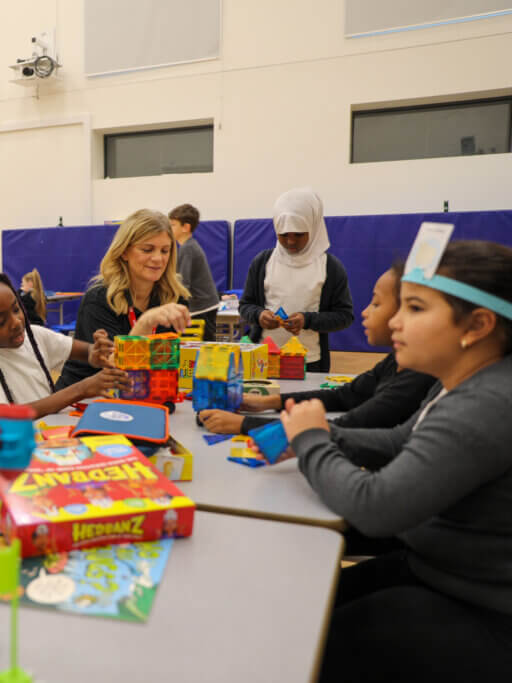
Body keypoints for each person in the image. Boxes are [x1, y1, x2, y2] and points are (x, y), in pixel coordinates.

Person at [276, 240, 512, 682]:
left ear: (478, 324)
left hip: (481, 609)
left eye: (416, 309)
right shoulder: (463, 380)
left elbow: (376, 506)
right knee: (304, 609)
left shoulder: (488, 402)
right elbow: (403, 439)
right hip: (436, 567)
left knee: (302, 644)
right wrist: (329, 435)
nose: (396, 322)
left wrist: (312, 442)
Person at [199, 263, 436, 434]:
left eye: (375, 303)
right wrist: (267, 402)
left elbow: (341, 428)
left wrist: (244, 425)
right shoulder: (395, 362)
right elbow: (344, 396)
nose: (366, 311)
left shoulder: (414, 377)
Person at [0, 269, 129, 414]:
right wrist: (80, 389)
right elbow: (1, 418)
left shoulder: (34, 336)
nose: (16, 322)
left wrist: (95, 352)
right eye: (0, 322)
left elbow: (86, 352)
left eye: (16, 309)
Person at [56, 209, 191, 390]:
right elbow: (113, 367)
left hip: (140, 395)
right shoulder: (99, 300)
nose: (158, 258)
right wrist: (145, 323)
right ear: (124, 252)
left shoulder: (175, 298)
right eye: (147, 249)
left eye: (165, 250)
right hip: (84, 402)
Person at [238, 188, 353, 372]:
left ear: (313, 228)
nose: (290, 241)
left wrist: (307, 320)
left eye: (299, 234)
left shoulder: (330, 267)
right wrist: (259, 315)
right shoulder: (263, 262)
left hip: (310, 361)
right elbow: (245, 306)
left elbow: (344, 316)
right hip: (262, 359)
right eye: (284, 235)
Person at [169, 203, 220, 341]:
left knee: (203, 348)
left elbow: (183, 283)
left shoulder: (187, 249)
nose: (169, 228)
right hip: (204, 305)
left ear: (185, 227)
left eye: (173, 225)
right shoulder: (188, 246)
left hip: (202, 307)